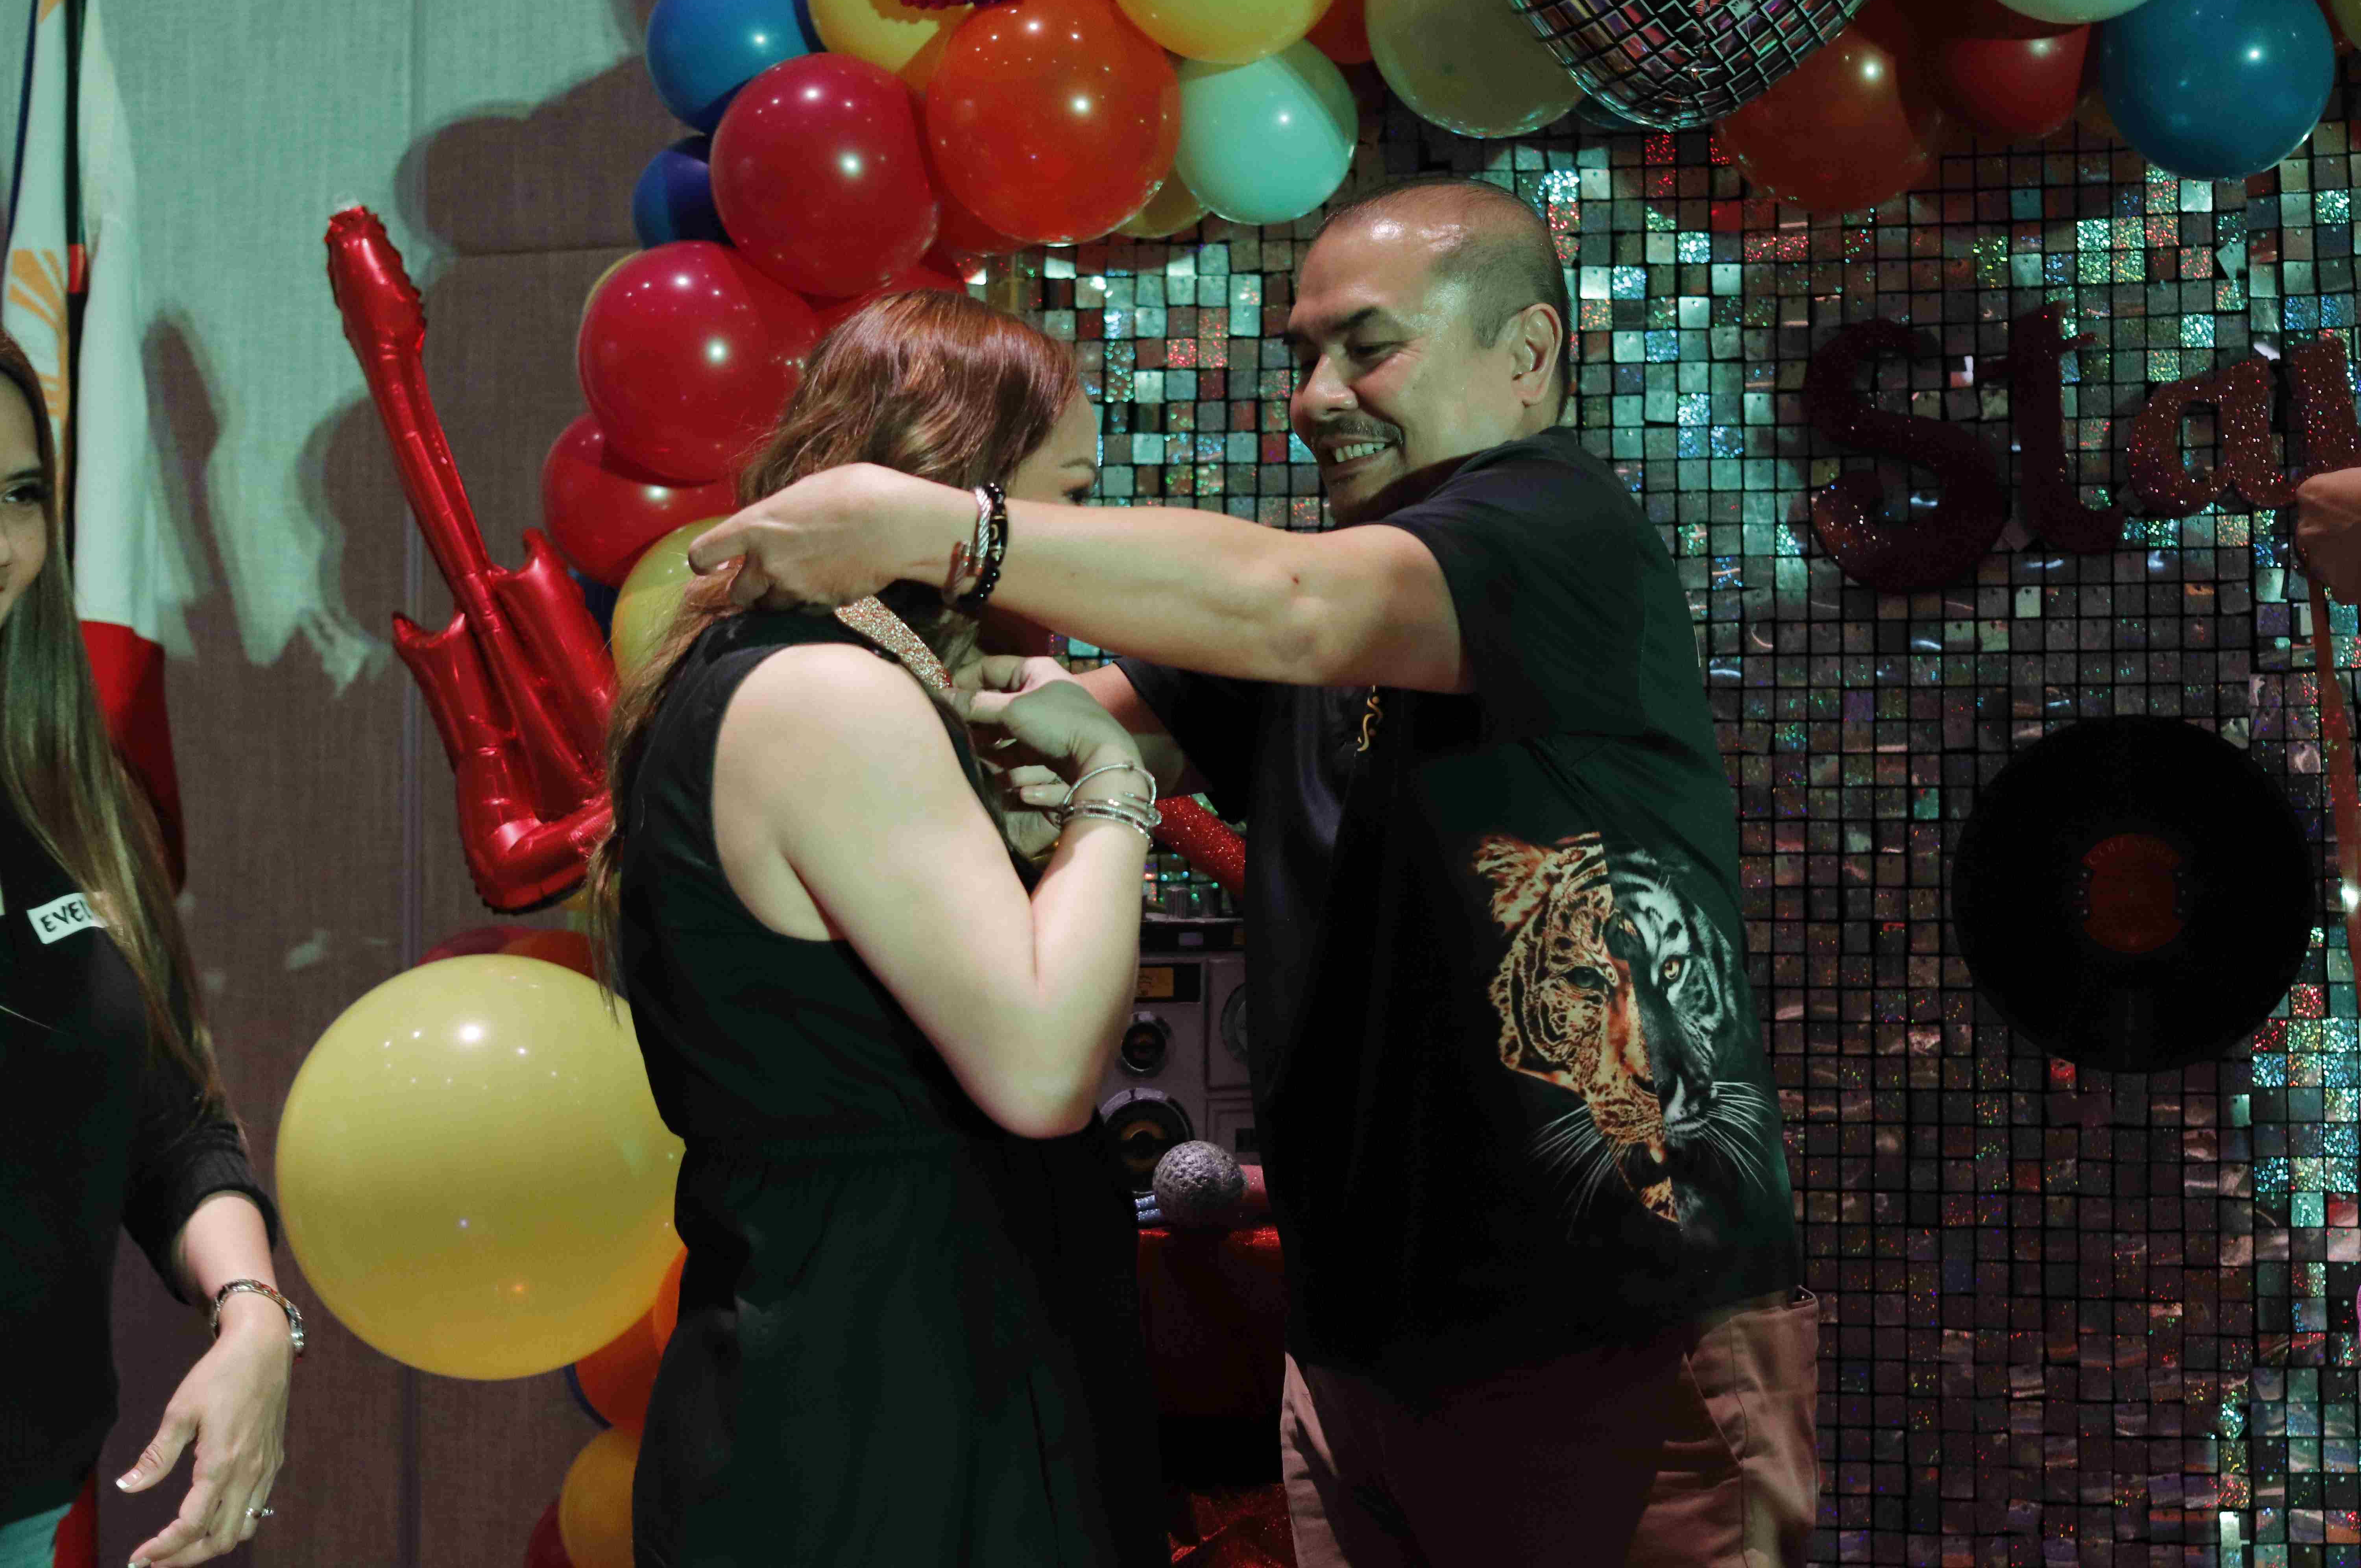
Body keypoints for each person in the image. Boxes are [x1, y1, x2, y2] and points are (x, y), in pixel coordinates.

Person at [684, 177, 1819, 1567]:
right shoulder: (1326, 593)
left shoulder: (1554, 528)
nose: (1317, 397)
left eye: (1369, 347)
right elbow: (1056, 730)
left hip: (1606, 1323)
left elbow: (1288, 608)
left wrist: (937, 529)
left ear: (1528, 355)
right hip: (1359, 1350)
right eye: (1304, 355)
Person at [585, 290, 1165, 1568]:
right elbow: (1041, 1068)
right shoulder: (829, 691)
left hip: (866, 1364)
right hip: (891, 1399)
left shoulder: (780, 671)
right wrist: (1116, 788)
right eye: (1068, 499)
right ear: (963, 487)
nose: (1080, 547)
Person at [0, 324, 295, 1568]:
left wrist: (252, 1313)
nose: (0, 544)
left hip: (26, 1493)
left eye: (20, 495)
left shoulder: (70, 790)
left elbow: (166, 1117)